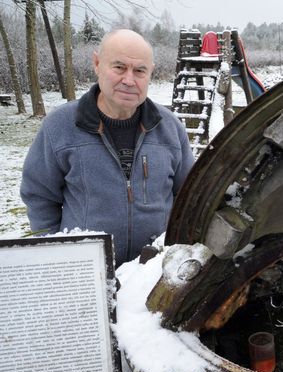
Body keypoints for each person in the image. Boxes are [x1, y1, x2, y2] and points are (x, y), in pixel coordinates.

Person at [21, 29, 194, 266]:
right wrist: (55, 255)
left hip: (152, 273)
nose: (129, 80)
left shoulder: (170, 128)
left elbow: (189, 196)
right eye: (119, 67)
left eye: (140, 70)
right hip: (85, 273)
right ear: (97, 64)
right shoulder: (60, 126)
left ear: (150, 72)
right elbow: (39, 196)